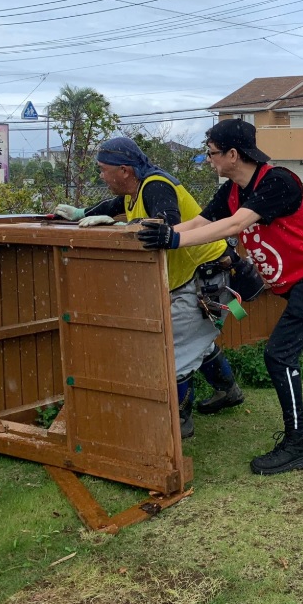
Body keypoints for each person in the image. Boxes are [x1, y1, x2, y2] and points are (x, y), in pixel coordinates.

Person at [137, 119, 303, 476]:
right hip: (301, 281)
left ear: (232, 154)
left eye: (212, 154)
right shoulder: (231, 191)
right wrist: (158, 234)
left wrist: (173, 242)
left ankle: (299, 444)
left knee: (278, 355)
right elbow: (200, 223)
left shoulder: (278, 181)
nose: (209, 160)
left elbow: (235, 226)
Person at [53, 137, 248, 440]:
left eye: (104, 170)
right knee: (197, 340)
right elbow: (111, 206)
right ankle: (228, 391)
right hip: (192, 279)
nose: (101, 176)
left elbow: (167, 224)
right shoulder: (134, 191)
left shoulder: (156, 186)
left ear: (124, 169)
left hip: (207, 279)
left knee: (174, 352)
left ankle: (178, 422)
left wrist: (124, 228)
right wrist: (81, 214)